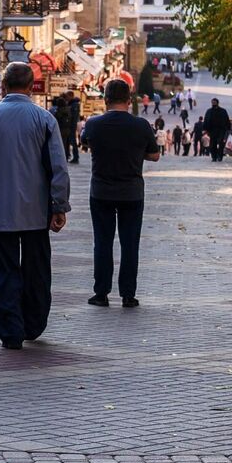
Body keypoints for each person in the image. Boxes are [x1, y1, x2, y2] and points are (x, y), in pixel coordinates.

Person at [0, 63, 71, 349]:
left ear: (4, 85)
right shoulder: (44, 119)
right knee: (37, 270)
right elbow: (58, 166)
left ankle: (11, 329)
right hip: (36, 211)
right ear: (32, 86)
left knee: (4, 271)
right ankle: (33, 323)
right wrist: (59, 204)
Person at [78, 79, 161, 308]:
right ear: (129, 99)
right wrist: (136, 153)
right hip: (132, 192)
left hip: (101, 191)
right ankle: (128, 295)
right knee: (130, 244)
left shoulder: (94, 123)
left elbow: (85, 143)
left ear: (106, 100)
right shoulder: (141, 125)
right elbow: (154, 156)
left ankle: (101, 293)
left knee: (102, 243)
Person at [202, 98, 232, 163]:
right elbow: (206, 120)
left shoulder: (223, 111)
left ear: (217, 103)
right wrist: (205, 129)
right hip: (212, 130)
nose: (213, 104)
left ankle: (220, 156)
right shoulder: (209, 111)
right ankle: (214, 157)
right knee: (213, 144)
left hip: (221, 130)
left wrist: (228, 128)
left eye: (214, 102)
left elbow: (226, 120)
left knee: (221, 144)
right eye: (212, 102)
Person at [57, 92, 81, 164]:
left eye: (67, 96)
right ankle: (69, 156)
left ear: (71, 96)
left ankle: (76, 157)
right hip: (69, 126)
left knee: (73, 142)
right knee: (69, 142)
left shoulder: (74, 105)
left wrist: (71, 126)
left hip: (71, 126)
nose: (67, 98)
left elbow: (74, 117)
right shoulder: (71, 104)